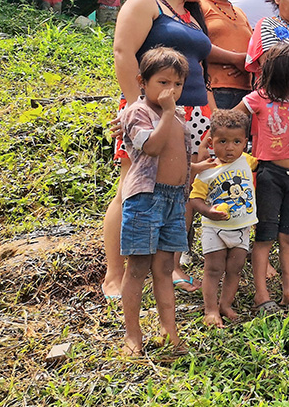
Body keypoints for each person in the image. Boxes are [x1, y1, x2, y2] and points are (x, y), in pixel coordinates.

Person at [103, 0, 213, 300]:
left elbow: (200, 67)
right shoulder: (145, 2)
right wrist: (137, 107)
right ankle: (114, 276)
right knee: (132, 188)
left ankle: (171, 266)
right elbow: (124, 51)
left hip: (194, 113)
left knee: (179, 189)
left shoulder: (191, 15)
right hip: (149, 108)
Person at [118, 47, 194, 356]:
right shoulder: (138, 112)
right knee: (137, 267)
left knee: (164, 267)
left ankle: (169, 330)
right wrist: (165, 112)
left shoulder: (176, 113)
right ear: (142, 81)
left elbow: (180, 154)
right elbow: (151, 147)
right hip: (146, 199)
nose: (171, 91)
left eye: (177, 84)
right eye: (163, 83)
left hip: (174, 200)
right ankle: (132, 335)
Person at [233, 44, 289, 312]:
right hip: (270, 175)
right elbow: (230, 118)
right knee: (265, 236)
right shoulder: (257, 99)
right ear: (285, 74)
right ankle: (261, 295)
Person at [187, 109, 257, 327]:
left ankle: (226, 304)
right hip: (214, 229)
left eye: (236, 141)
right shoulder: (206, 170)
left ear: (245, 142)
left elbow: (267, 162)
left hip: (241, 228)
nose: (230, 147)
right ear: (211, 142)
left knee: (235, 269)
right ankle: (210, 309)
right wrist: (208, 211)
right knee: (213, 269)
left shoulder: (247, 160)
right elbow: (194, 198)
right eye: (223, 141)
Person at [200, 0, 252, 110]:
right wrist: (235, 59)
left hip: (246, 93)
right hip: (214, 90)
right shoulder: (199, 6)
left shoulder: (240, 12)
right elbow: (194, 44)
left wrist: (247, 63)